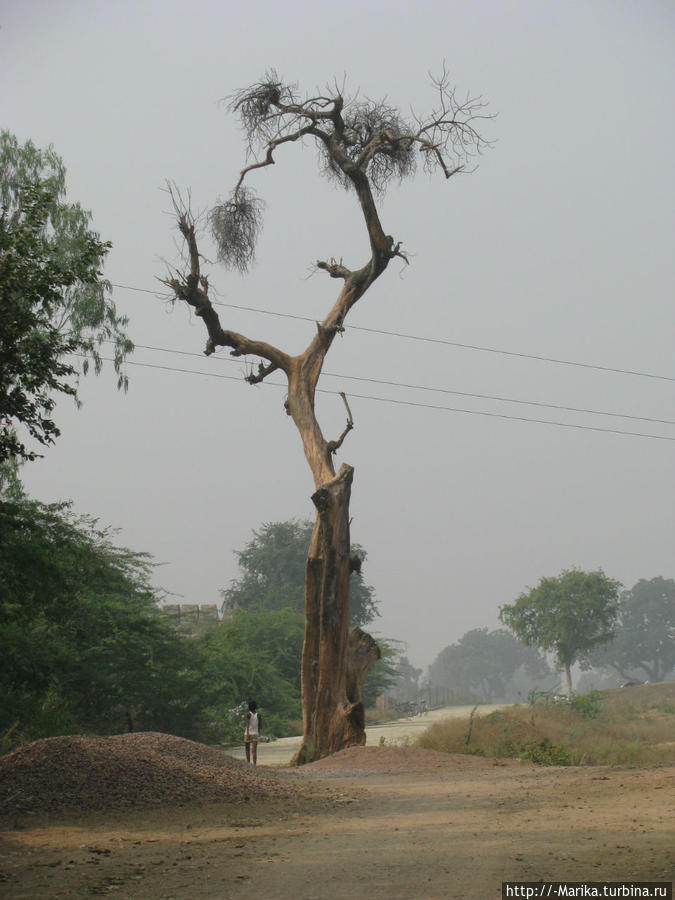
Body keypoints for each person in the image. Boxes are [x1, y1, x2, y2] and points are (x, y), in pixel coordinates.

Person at [244, 700, 261, 765]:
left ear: (249, 707)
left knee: (247, 749)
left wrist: (248, 733)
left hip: (248, 733)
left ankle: (248, 763)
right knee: (254, 750)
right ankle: (254, 764)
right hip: (255, 733)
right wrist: (258, 732)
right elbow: (259, 725)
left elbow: (247, 724)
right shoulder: (258, 715)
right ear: (255, 707)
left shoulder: (248, 714)